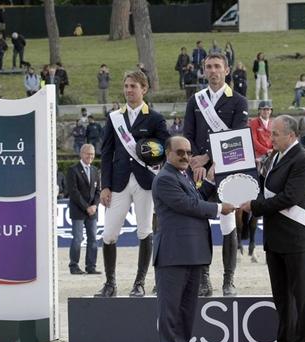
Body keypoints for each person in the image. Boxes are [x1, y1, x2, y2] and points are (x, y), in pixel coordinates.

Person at [240, 115, 305, 342]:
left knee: (301, 295)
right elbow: (265, 186)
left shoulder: (303, 160)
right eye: (271, 133)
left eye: (275, 134)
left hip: (295, 237)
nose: (270, 137)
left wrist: (256, 206)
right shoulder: (274, 157)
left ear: (291, 135)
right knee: (281, 295)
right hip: (275, 236)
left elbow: (290, 197)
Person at [153, 136, 234, 342]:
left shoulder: (183, 175)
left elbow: (196, 197)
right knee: (170, 308)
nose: (185, 156)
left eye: (188, 152)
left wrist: (208, 181)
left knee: (187, 307)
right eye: (180, 152)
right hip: (173, 253)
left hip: (192, 251)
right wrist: (219, 208)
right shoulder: (164, 178)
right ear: (167, 153)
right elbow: (187, 205)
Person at [97, 70, 170, 298]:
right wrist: (105, 185)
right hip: (118, 182)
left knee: (144, 231)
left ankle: (139, 283)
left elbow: (164, 151)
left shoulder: (155, 119)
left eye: (133, 86)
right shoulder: (114, 118)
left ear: (144, 89)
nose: (129, 90)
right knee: (109, 234)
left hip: (145, 182)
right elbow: (106, 153)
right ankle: (110, 283)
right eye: (126, 86)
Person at [183, 53, 248, 297]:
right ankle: (203, 278)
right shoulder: (195, 100)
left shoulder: (238, 101)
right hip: (198, 170)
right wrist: (194, 159)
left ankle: (229, 279)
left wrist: (210, 158)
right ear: (203, 70)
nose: (213, 71)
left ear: (227, 70)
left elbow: (238, 136)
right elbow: (187, 133)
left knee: (228, 224)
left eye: (217, 67)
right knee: (200, 225)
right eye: (209, 67)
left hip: (227, 170)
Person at [67, 144, 101, 275]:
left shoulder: (95, 170)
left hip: (92, 211)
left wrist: (95, 205)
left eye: (92, 154)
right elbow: (73, 192)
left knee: (93, 239)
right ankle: (74, 265)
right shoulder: (73, 170)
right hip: (78, 211)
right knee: (77, 238)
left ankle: (91, 266)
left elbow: (98, 191)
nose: (90, 156)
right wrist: (86, 207)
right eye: (88, 154)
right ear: (81, 154)